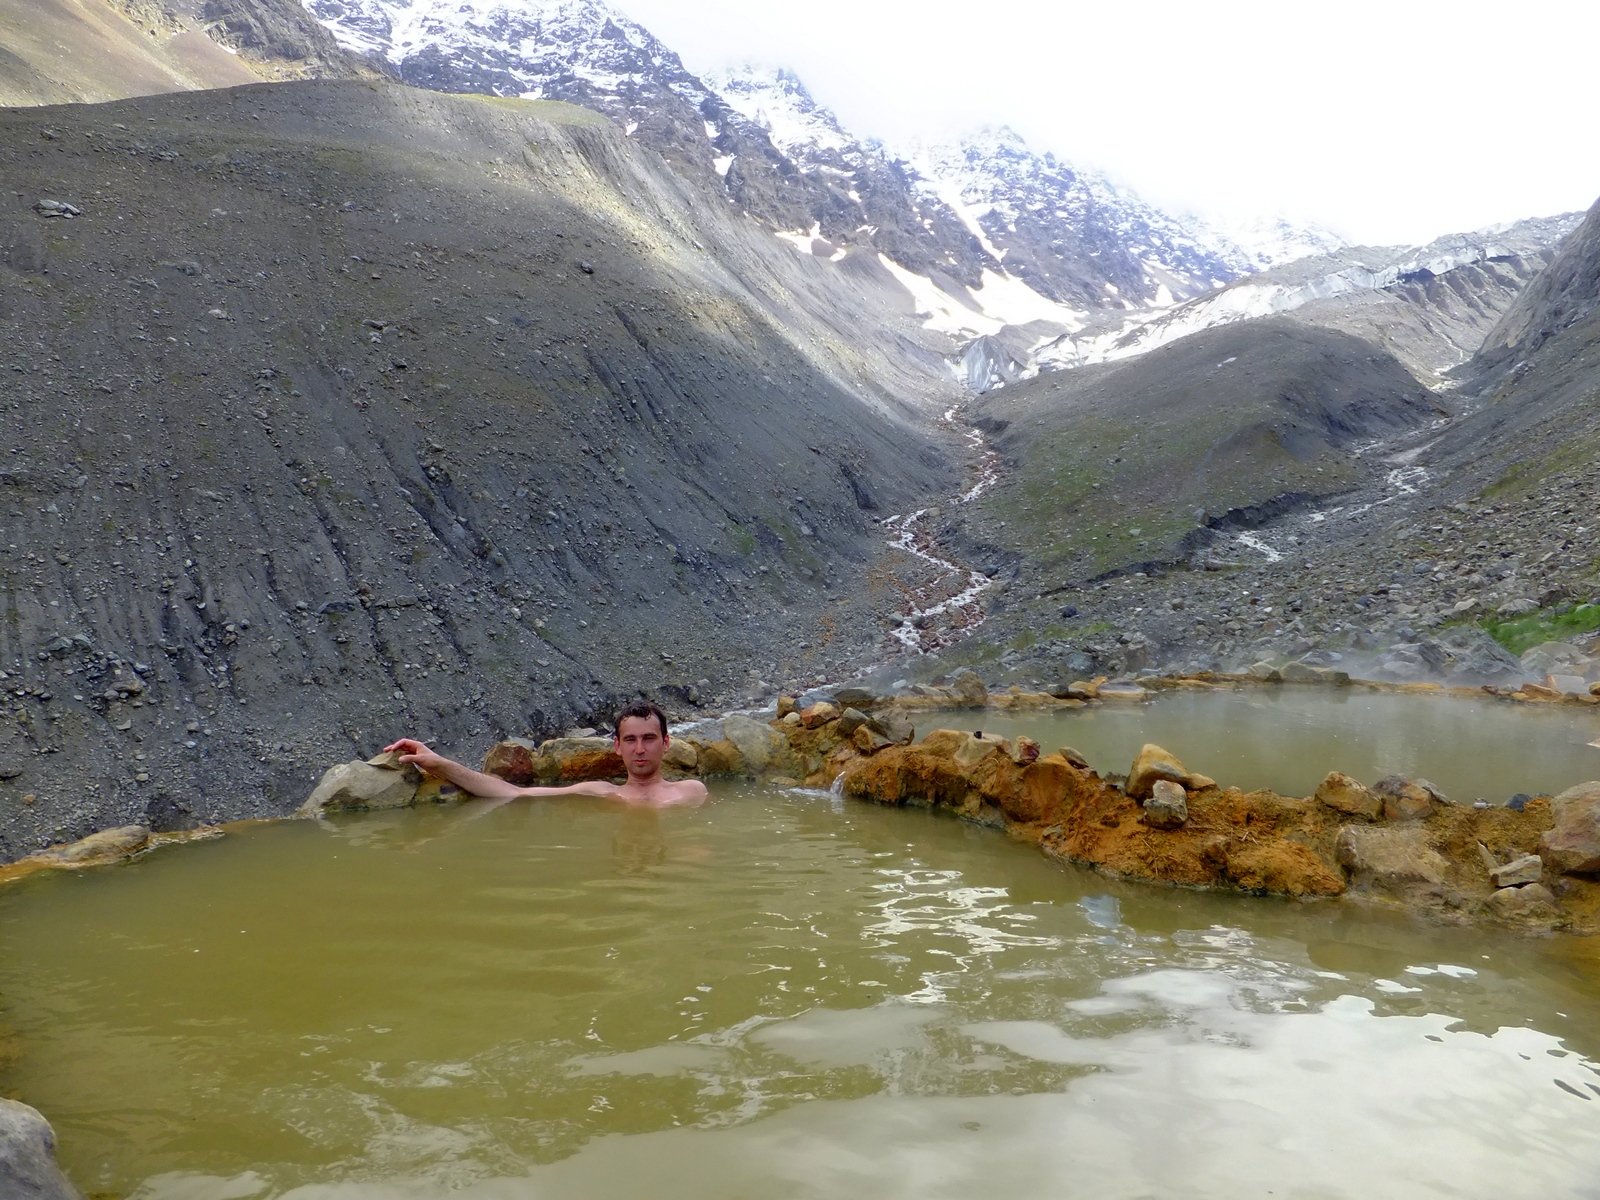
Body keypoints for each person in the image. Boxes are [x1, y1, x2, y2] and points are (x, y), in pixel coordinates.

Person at [383, 699, 708, 808]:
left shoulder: (692, 792)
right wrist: (440, 763)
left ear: (666, 743)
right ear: (617, 746)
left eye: (649, 739)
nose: (640, 749)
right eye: (631, 740)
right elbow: (512, 793)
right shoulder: (599, 792)